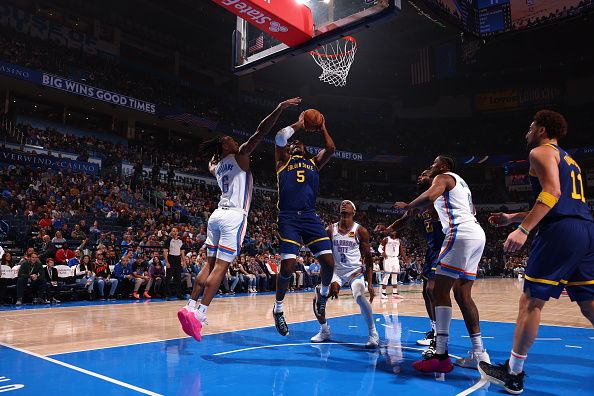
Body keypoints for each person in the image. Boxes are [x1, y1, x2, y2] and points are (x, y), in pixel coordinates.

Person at [478, 110, 594, 394]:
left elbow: (552, 193)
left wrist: (524, 229)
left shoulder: (540, 151)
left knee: (530, 303)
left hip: (560, 232)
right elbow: (559, 200)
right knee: (589, 303)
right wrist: (511, 218)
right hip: (586, 229)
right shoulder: (569, 158)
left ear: (542, 130)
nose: (527, 132)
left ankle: (513, 374)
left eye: (531, 126)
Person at [178, 98, 302, 341]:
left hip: (215, 216)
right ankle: (200, 315)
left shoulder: (218, 166)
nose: (235, 141)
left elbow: (211, 166)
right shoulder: (241, 155)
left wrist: (214, 158)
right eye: (229, 141)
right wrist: (279, 108)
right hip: (234, 216)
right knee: (221, 269)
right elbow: (261, 131)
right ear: (226, 147)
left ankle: (189, 306)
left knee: (208, 265)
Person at [395, 155, 489, 373]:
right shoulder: (462, 186)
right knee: (463, 295)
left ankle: (440, 355)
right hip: (477, 234)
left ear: (444, 166)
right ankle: (479, 353)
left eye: (434, 163)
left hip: (460, 233)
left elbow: (430, 195)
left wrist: (409, 204)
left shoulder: (444, 177)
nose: (431, 166)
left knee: (438, 291)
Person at [272, 110, 337, 336]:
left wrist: (322, 127)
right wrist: (300, 124)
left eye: (299, 143)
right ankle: (278, 309)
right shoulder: (283, 160)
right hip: (288, 217)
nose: (295, 144)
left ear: (305, 149)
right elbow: (280, 137)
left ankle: (323, 293)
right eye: (293, 144)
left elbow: (331, 149)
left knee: (329, 263)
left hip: (309, 216)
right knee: (288, 267)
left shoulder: (314, 162)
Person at [381, 169, 446, 354]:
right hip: (431, 250)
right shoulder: (423, 200)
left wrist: (409, 206)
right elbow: (405, 219)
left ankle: (440, 335)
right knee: (426, 292)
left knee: (432, 290)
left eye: (424, 174)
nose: (419, 176)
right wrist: (388, 229)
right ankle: (434, 330)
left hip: (444, 248)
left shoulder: (440, 196)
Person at [310, 200, 379, 348]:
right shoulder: (330, 230)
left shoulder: (360, 230)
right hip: (336, 271)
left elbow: (368, 259)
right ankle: (324, 331)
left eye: (348, 203)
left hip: (354, 271)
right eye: (342, 203)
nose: (344, 204)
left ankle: (373, 333)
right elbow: (324, 258)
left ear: (353, 211)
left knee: (360, 296)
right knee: (317, 298)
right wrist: (328, 282)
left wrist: (371, 284)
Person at [379, 231, 408, 299]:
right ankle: (383, 293)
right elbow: (379, 248)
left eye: (394, 231)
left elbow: (401, 251)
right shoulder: (386, 239)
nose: (393, 232)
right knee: (387, 275)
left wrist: (405, 259)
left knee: (395, 276)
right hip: (388, 258)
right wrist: (383, 252)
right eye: (392, 231)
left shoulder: (398, 240)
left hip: (395, 259)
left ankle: (395, 293)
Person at [164, 228, 185, 300]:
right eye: (173, 231)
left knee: (178, 278)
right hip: (171, 259)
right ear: (171, 232)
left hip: (178, 259)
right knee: (168, 278)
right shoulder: (168, 240)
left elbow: (182, 252)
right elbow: (165, 252)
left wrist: (183, 261)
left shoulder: (181, 240)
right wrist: (167, 262)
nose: (175, 232)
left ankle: (179, 294)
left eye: (176, 231)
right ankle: (167, 295)